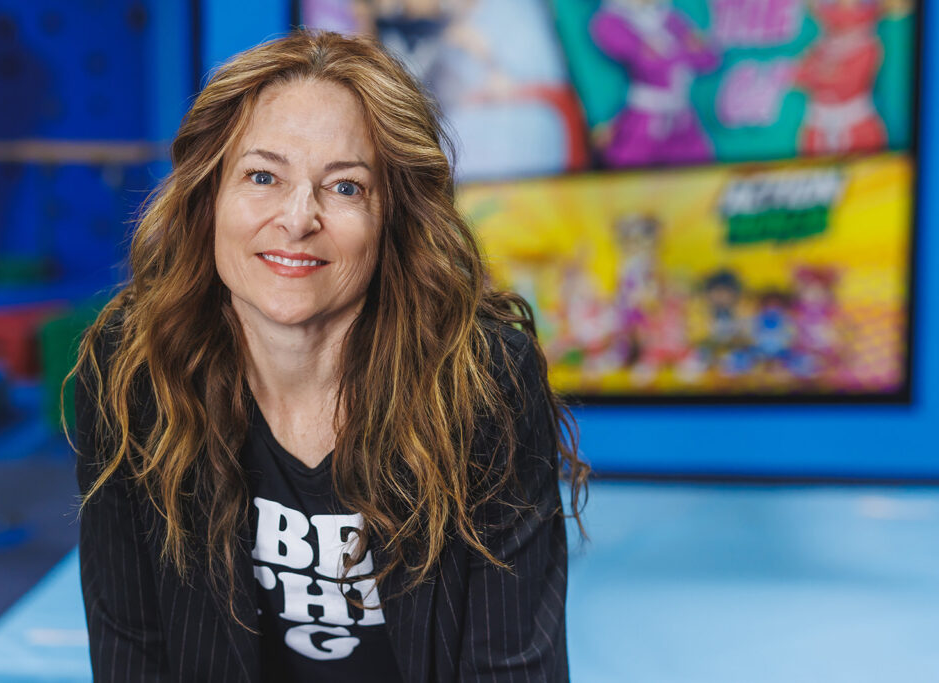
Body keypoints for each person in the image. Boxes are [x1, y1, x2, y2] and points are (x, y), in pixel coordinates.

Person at [70, 29, 589, 683]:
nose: (297, 219)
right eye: (263, 176)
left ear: (392, 218)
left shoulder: (483, 381)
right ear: (208, 198)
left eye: (345, 188)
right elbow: (131, 650)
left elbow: (510, 665)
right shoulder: (134, 369)